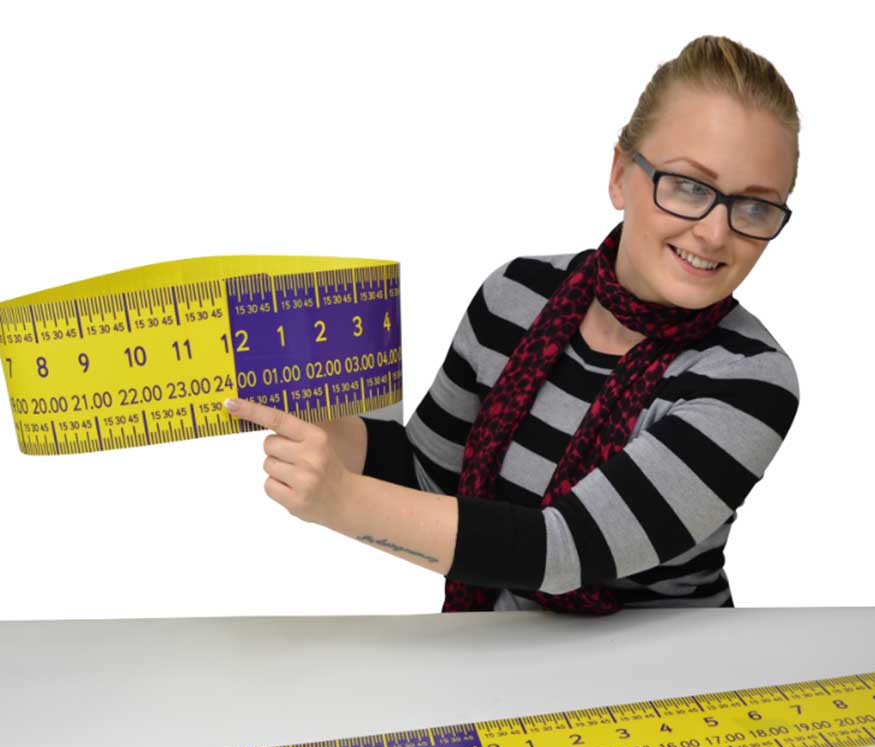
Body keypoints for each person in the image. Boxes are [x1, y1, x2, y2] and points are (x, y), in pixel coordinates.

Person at [224, 34, 801, 615]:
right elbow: (428, 476)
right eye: (689, 186)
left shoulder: (751, 380)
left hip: (680, 667)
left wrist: (343, 501)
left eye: (755, 206)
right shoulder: (515, 295)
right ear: (620, 173)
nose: (715, 233)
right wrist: (301, 417)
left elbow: (561, 551)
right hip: (504, 650)